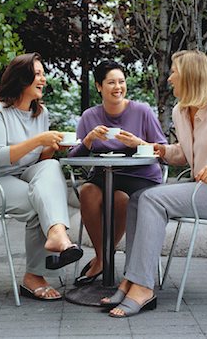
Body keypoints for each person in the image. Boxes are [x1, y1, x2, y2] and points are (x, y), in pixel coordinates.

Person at [102, 49, 207, 317]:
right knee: (139, 200)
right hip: (202, 191)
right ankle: (132, 278)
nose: (170, 78)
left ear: (190, 77)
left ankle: (143, 287)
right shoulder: (182, 112)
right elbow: (184, 154)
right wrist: (151, 147)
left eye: (174, 72)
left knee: (151, 198)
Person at [0, 52, 83, 301]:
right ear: (22, 79)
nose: (43, 79)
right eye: (38, 74)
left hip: (20, 178)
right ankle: (35, 274)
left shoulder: (41, 113)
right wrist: (39, 139)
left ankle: (57, 234)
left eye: (42, 74)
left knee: (51, 168)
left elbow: (40, 163)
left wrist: (49, 148)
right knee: (38, 205)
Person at [68, 60, 167, 285]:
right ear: (99, 86)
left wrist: (137, 142)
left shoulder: (142, 111)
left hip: (141, 176)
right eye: (111, 82)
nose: (117, 87)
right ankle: (104, 258)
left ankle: (103, 259)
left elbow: (162, 148)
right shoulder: (89, 117)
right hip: (105, 175)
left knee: (121, 199)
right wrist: (89, 139)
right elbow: (73, 158)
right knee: (87, 193)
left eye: (121, 81)